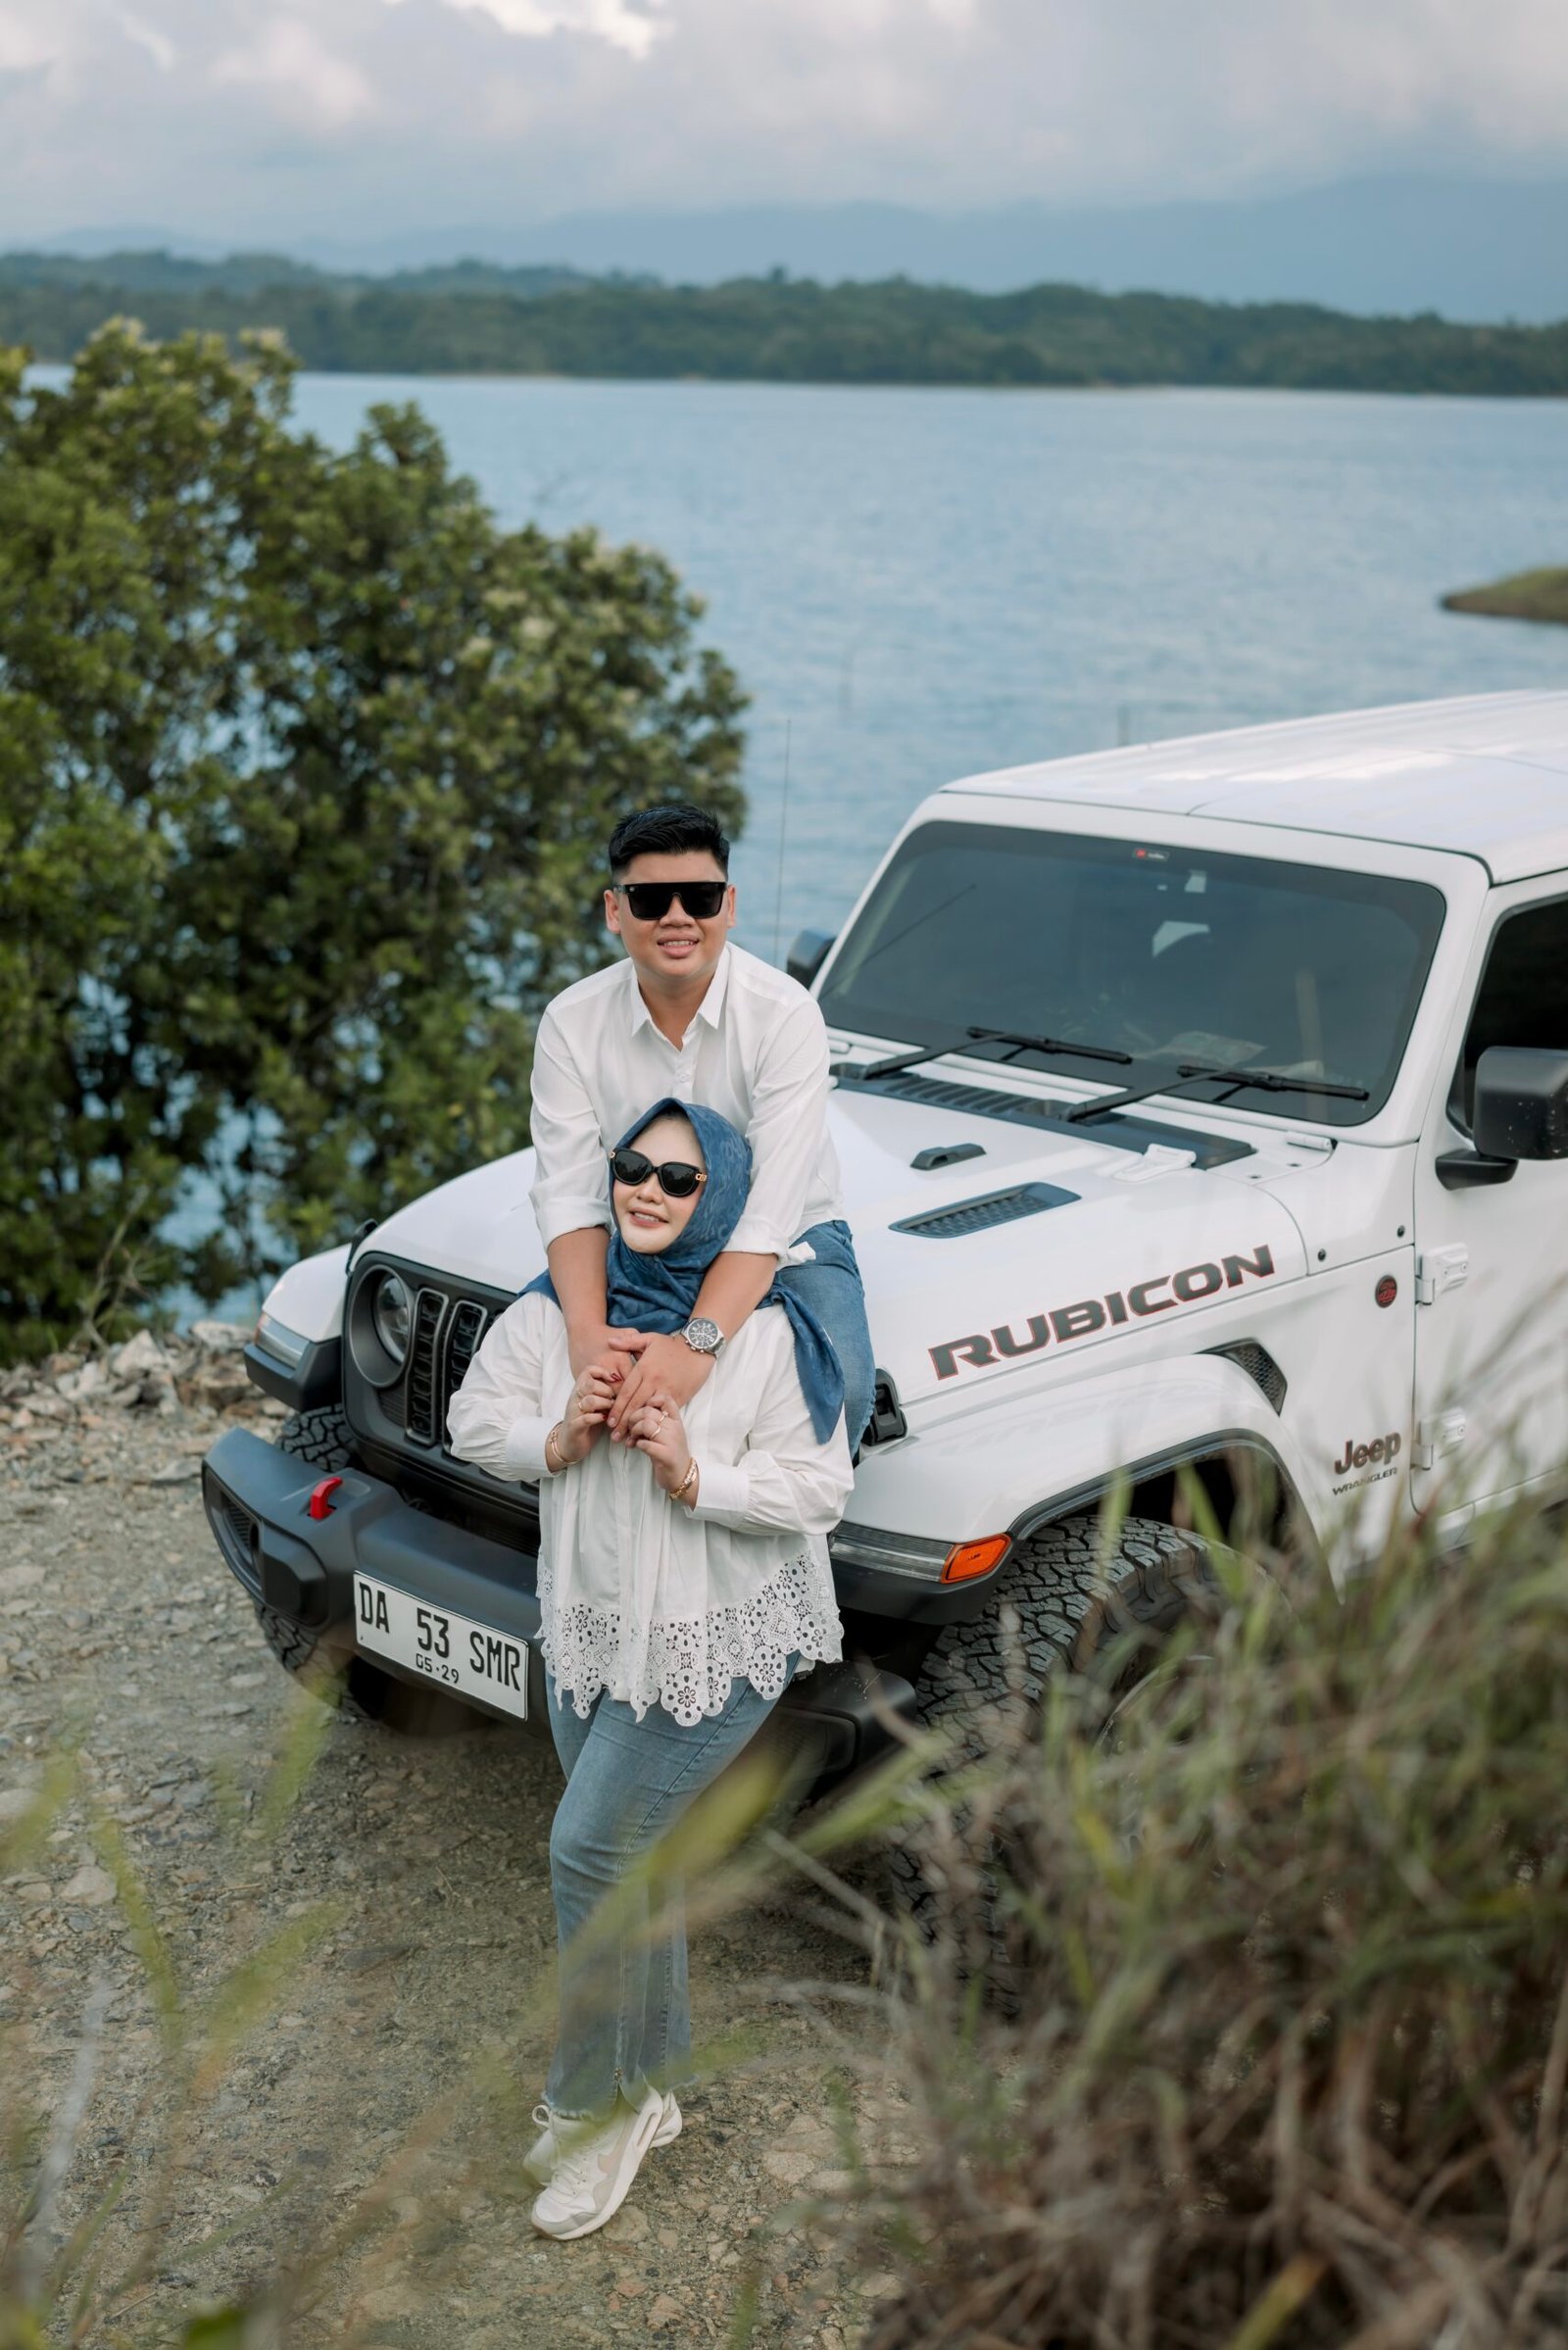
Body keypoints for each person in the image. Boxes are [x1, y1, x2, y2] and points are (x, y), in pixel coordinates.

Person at [448, 1098, 853, 2240]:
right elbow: (471, 1418)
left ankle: (599, 2107)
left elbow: (820, 1488)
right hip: (590, 1628)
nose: (648, 1191)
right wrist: (552, 1437)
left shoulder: (761, 1334)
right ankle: (656, 2079)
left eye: (681, 1179)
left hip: (714, 1638)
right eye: (634, 1166)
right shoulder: (560, 1316)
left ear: (723, 1202)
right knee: (636, 1858)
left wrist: (691, 1471)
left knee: (590, 1849)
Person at [528, 800, 876, 1459]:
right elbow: (569, 1195)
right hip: (641, 1235)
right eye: (650, 899)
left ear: (730, 905)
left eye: (700, 897)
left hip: (788, 1236)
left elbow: (771, 1213)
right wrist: (585, 1332)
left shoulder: (785, 1014)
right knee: (535, 1363)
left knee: (840, 1399)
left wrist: (697, 1345)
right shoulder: (571, 1022)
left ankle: (782, 1513)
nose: (677, 917)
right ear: (614, 910)